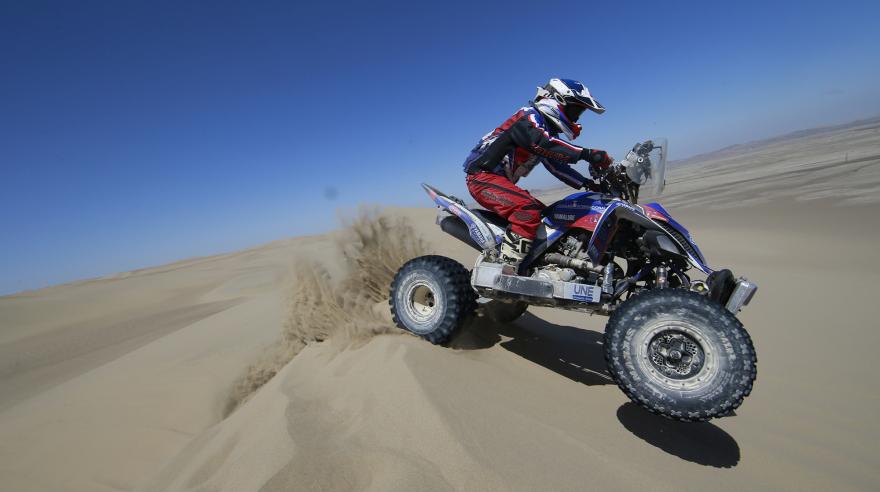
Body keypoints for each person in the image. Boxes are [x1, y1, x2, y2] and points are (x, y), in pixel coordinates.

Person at [462, 78, 613, 267]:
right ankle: (505, 269)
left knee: (550, 216)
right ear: (557, 100)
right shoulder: (528, 117)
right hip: (481, 177)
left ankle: (537, 266)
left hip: (497, 181)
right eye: (576, 110)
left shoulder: (545, 130)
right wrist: (588, 154)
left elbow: (556, 166)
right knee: (527, 211)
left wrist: (586, 184)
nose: (576, 118)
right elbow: (541, 142)